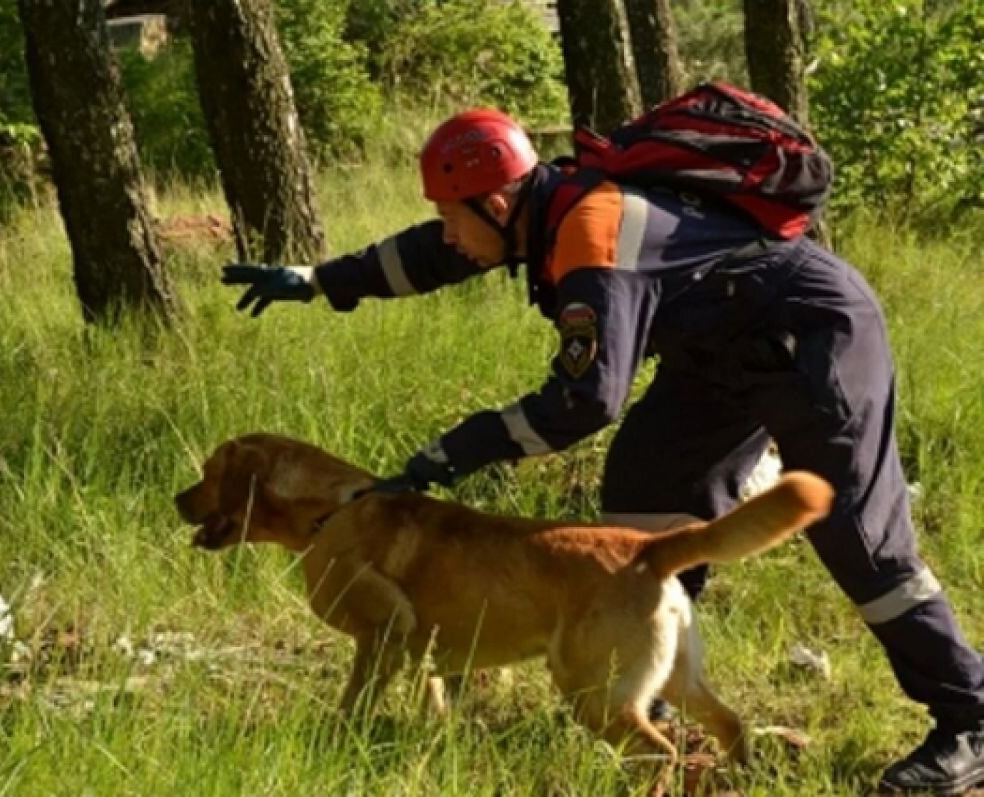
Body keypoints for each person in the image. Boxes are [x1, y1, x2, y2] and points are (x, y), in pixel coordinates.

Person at [221, 108, 984, 794]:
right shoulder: (538, 208)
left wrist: (452, 452)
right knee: (647, 486)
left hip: (815, 340)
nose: (448, 234)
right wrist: (319, 279)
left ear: (498, 202)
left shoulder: (587, 227)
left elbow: (586, 400)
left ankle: (969, 718)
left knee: (857, 534)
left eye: (455, 217)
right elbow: (439, 251)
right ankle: (638, 681)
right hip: (719, 356)